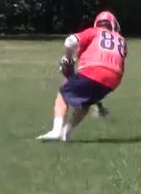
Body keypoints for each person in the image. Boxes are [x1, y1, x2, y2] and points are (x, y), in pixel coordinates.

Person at [36, 11, 126, 141]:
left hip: (93, 70)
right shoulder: (121, 40)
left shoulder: (94, 32)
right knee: (85, 102)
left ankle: (56, 131)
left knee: (63, 93)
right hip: (114, 79)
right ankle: (65, 132)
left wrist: (67, 59)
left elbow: (69, 42)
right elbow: (106, 70)